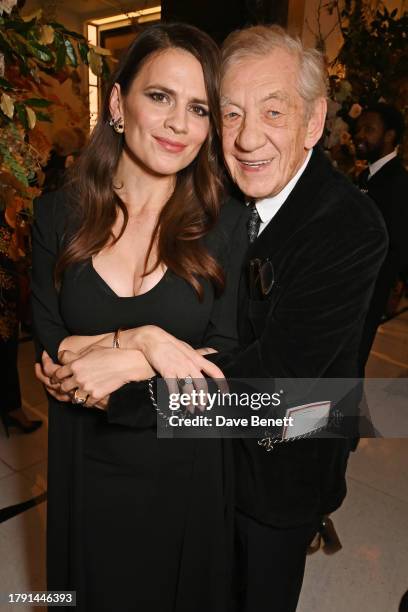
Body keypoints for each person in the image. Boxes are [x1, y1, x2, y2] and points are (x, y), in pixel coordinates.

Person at [31, 23, 247, 611]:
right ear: (117, 103)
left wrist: (125, 355)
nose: (179, 123)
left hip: (186, 475)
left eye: (199, 108)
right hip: (85, 467)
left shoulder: (227, 228)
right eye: (160, 97)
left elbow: (221, 374)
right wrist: (147, 341)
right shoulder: (57, 215)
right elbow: (51, 351)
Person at [209, 25, 388, 611]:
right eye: (231, 115)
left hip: (281, 472)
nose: (246, 137)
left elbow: (281, 384)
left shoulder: (348, 225)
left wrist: (129, 392)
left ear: (314, 122)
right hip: (206, 459)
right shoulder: (223, 201)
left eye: (272, 112)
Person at [354, 103, 408, 374]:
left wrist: (390, 291)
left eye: (369, 129)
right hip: (351, 288)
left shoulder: (398, 183)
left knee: (352, 361)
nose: (359, 134)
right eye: (359, 127)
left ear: (389, 136)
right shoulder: (367, 175)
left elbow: (398, 246)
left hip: (368, 291)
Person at [0, 173, 42, 437]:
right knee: (6, 357)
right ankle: (12, 410)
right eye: (16, 196)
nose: (20, 201)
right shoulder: (6, 223)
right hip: (4, 304)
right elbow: (12, 261)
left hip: (6, 300)